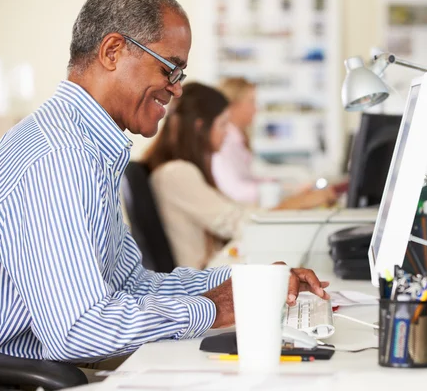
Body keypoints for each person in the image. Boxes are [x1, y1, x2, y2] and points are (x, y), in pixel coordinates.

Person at [0, 0, 328, 364]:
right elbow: (78, 331)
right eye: (170, 68)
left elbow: (132, 285)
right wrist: (214, 308)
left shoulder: (83, 147)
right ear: (113, 51)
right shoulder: (57, 158)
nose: (177, 87)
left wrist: (252, 284)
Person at [143, 82, 337, 269]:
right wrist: (298, 203)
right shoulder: (176, 173)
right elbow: (235, 222)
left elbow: (233, 211)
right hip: (199, 282)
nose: (227, 133)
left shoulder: (180, 170)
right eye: (223, 124)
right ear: (200, 127)